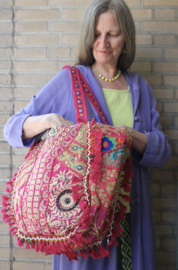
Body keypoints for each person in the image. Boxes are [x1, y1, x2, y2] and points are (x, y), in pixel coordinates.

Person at [4, 0, 170, 269]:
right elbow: (12, 128)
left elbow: (162, 150)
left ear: (126, 37)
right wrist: (48, 120)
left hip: (132, 220)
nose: (103, 42)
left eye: (112, 34)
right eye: (96, 34)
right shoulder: (69, 80)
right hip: (84, 226)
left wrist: (129, 135)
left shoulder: (140, 87)